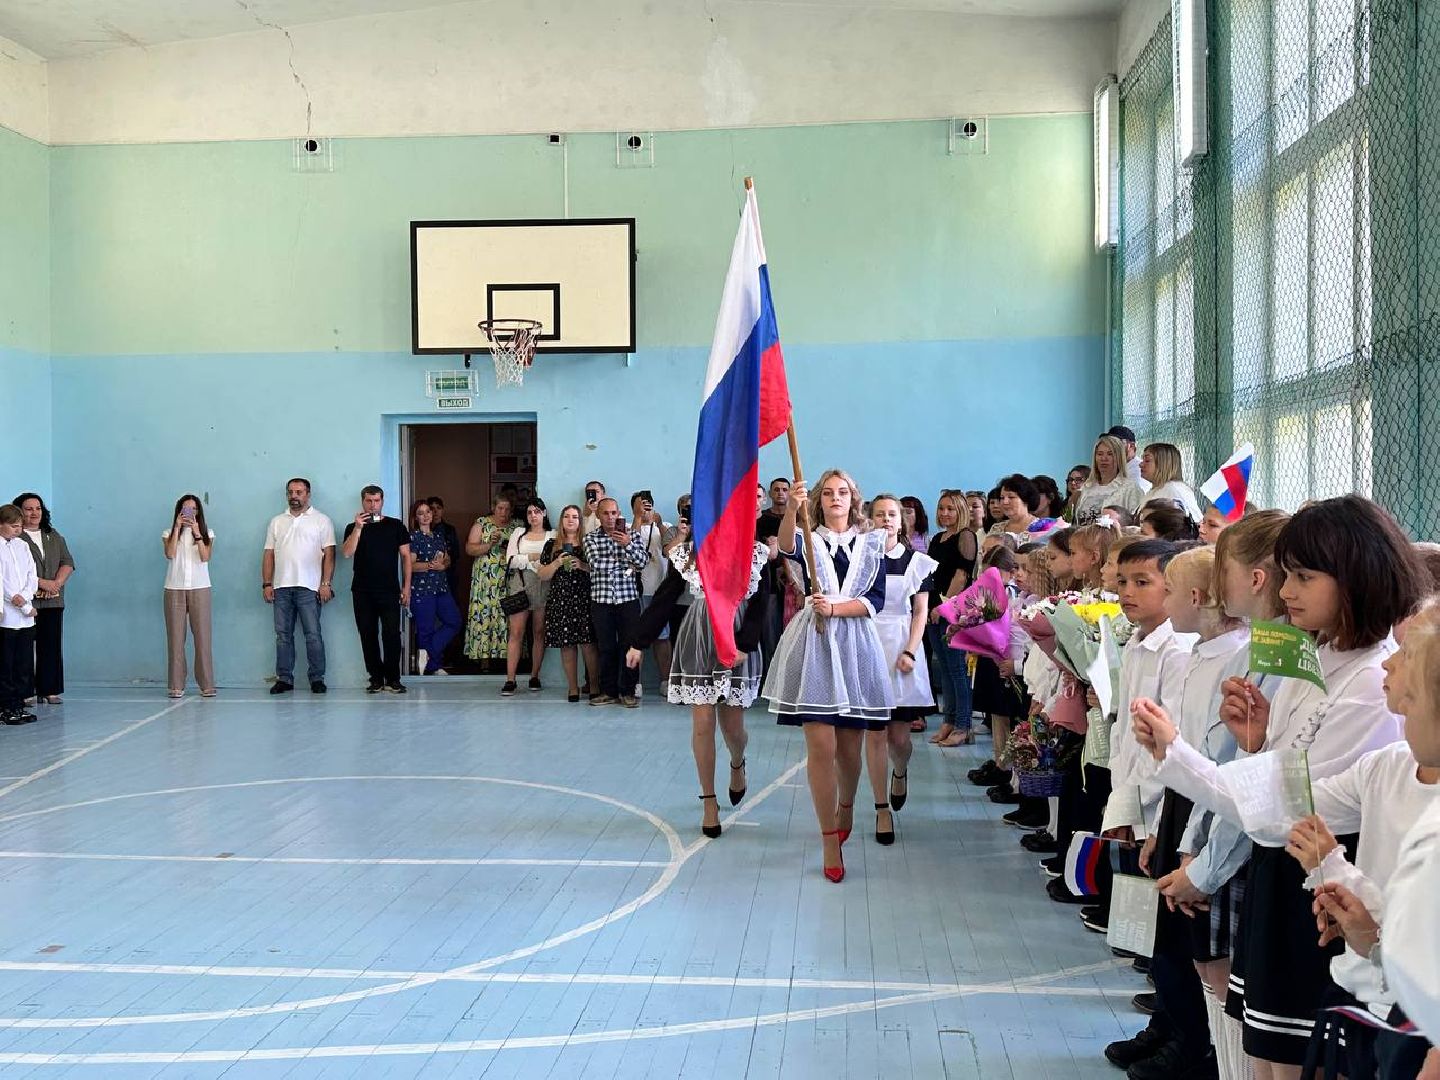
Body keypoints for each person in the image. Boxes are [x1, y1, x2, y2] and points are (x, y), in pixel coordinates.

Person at [1132, 496, 1425, 1074]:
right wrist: (1258, 741)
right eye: (1286, 573)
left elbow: (1293, 807)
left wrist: (1179, 755)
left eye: (1304, 576)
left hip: (1318, 890)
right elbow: (1283, 776)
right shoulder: (1320, 656)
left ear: (1358, 578)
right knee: (1260, 1054)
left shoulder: (1370, 682)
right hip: (1284, 872)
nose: (1286, 591)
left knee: (1290, 1063)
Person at [763, 469, 893, 883]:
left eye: (844, 492)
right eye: (829, 493)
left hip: (855, 646)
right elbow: (785, 546)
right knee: (821, 745)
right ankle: (827, 839)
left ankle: (848, 806)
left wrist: (835, 608)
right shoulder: (805, 533)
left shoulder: (873, 542)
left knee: (850, 750)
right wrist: (793, 509)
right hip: (817, 644)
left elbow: (874, 601)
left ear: (853, 498)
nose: (836, 498)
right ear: (818, 500)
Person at [625, 513, 771, 839]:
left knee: (733, 728)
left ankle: (737, 762)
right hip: (699, 637)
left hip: (735, 640)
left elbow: (761, 603)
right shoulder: (689, 554)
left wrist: (746, 643)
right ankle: (709, 799)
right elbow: (664, 598)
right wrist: (639, 641)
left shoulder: (755, 553)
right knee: (702, 721)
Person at [865, 495, 938, 845]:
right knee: (874, 734)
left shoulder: (916, 562)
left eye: (892, 514)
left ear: (902, 521)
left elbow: (920, 611)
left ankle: (901, 769)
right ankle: (881, 809)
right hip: (866, 646)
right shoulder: (860, 561)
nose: (886, 520)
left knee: (899, 738)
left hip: (900, 646)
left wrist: (911, 649)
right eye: (879, 514)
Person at [261, 478, 336, 695]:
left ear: (308, 494)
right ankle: (284, 678)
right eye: (291, 492)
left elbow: (329, 555)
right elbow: (268, 554)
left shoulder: (322, 520)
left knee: (313, 634)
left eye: (299, 492)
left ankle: (317, 678)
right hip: (281, 587)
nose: (294, 496)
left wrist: (325, 584)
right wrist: (267, 583)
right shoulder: (277, 521)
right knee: (283, 635)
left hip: (310, 588)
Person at [342, 485, 412, 693]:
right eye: (369, 501)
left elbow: (406, 557)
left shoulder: (396, 526)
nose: (373, 505)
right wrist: (358, 528)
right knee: (367, 634)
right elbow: (346, 553)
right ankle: (376, 678)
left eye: (376, 501)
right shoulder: (352, 527)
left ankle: (393, 678)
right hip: (362, 591)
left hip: (390, 589)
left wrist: (407, 587)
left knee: (392, 634)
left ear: (382, 501)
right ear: (362, 502)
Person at [583, 497, 649, 707]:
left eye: (614, 513)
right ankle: (608, 691)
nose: (610, 518)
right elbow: (596, 564)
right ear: (598, 515)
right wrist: (624, 563)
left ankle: (629, 691)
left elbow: (642, 562)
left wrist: (628, 545)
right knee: (606, 647)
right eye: (605, 513)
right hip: (601, 600)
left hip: (628, 599)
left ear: (619, 513)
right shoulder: (590, 538)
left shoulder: (633, 536)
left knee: (630, 647)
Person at [927, 490, 979, 745]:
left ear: (961, 512)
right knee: (945, 669)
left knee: (958, 669)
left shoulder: (965, 536)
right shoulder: (937, 538)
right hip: (935, 609)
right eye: (941, 508)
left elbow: (961, 575)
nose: (945, 513)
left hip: (954, 610)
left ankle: (963, 725)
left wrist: (944, 606)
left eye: (951, 509)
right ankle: (948, 720)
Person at [14, 493, 73, 706]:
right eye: (28, 508)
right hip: (25, 603)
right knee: (24, 648)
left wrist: (56, 583)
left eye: (37, 508)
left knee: (51, 645)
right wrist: (42, 583)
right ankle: (25, 691)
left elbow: (67, 561)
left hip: (53, 601)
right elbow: (17, 570)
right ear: (19, 512)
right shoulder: (15, 538)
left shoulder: (53, 535)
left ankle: (49, 689)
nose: (34, 512)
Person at [537, 505, 599, 703]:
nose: (570, 520)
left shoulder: (589, 543)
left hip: (584, 599)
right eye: (566, 516)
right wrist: (556, 563)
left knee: (588, 644)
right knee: (567, 646)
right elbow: (542, 575)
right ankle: (573, 688)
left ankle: (594, 686)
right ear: (561, 520)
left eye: (575, 517)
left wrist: (581, 565)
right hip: (560, 600)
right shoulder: (551, 545)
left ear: (580, 521)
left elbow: (599, 570)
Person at [162, 493, 216, 699]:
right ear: (179, 512)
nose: (189, 513)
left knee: (203, 638)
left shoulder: (207, 533)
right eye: (185, 509)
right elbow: (170, 553)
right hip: (174, 588)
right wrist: (177, 528)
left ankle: (207, 684)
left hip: (200, 588)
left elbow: (205, 557)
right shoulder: (168, 532)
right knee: (175, 639)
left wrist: (196, 532)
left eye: (193, 509)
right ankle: (176, 684)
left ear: (198, 512)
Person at [501, 497, 554, 695]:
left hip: (544, 585)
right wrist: (532, 558)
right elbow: (510, 560)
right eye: (530, 512)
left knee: (539, 632)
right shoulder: (518, 533)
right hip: (520, 584)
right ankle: (510, 679)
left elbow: (551, 560)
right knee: (516, 632)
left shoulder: (552, 534)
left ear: (544, 513)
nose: (533, 516)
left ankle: (534, 675)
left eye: (537, 512)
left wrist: (524, 560)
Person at [408, 500, 460, 676]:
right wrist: (430, 565)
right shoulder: (413, 537)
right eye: (420, 513)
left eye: (428, 512)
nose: (425, 515)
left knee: (454, 621)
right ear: (415, 517)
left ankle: (427, 653)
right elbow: (411, 565)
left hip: (441, 587)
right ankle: (433, 666)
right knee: (426, 629)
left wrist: (443, 565)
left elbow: (447, 559)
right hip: (422, 590)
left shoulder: (438, 536)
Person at [630, 490, 673, 694]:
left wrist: (660, 522)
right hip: (636, 591)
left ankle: (666, 680)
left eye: (647, 505)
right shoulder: (629, 527)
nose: (644, 509)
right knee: (636, 637)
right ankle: (635, 682)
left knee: (662, 638)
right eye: (640, 505)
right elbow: (630, 544)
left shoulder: (664, 528)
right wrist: (638, 518)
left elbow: (670, 549)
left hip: (660, 591)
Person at [463, 493, 514, 665]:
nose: (503, 512)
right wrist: (489, 544)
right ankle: (484, 660)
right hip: (484, 581)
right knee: (484, 617)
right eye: (500, 508)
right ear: (493, 507)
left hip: (507, 579)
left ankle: (507, 660)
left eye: (507, 509)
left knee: (505, 617)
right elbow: (470, 549)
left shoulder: (517, 526)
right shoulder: (482, 524)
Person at [0, 505, 38, 726]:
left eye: (20, 526)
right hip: (7, 617)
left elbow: (31, 576)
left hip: (26, 615)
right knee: (6, 665)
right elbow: (4, 586)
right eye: (13, 526)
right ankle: (6, 706)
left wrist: (25, 598)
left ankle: (19, 704)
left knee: (23, 663)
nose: (18, 530)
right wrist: (21, 604)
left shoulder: (22, 546)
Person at [1073, 435, 1146, 526]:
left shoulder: (1130, 488)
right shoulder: (1087, 487)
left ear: (1119, 457)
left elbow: (1137, 525)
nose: (1104, 458)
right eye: (1100, 454)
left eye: (1110, 454)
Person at [1140, 443, 1202, 521]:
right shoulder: (1157, 489)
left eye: (1147, 461)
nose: (1141, 464)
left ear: (1163, 463)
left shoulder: (1174, 489)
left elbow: (1194, 524)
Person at [425, 496, 463, 603]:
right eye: (432, 508)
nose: (435, 511)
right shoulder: (423, 530)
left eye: (438, 508)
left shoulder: (449, 530)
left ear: (443, 510)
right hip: (428, 574)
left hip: (448, 573)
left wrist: (445, 563)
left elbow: (456, 553)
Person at [1107, 425, 1152, 492]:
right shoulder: (1116, 468)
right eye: (1110, 443)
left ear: (1131, 446)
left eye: (1118, 443)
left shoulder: (1140, 471)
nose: (1112, 447)